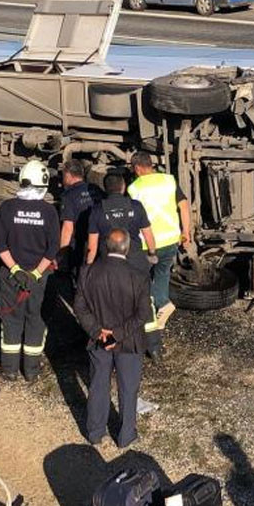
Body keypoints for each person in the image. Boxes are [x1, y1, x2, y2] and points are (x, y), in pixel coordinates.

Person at [75, 228, 153, 448]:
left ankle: (95, 432)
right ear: (126, 248)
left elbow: (80, 307)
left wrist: (97, 331)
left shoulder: (87, 272)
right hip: (129, 341)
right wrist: (117, 334)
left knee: (98, 385)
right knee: (128, 388)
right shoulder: (138, 276)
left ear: (105, 246)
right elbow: (142, 314)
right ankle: (126, 435)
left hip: (98, 340)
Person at [0, 160, 60, 381]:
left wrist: (15, 269)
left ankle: (9, 369)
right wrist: (36, 273)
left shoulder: (7, 208)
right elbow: (53, 248)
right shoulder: (49, 211)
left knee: (11, 319)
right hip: (39, 278)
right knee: (36, 319)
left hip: (11, 275)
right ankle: (32, 370)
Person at [128, 153, 192, 360]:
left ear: (137, 168)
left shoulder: (134, 188)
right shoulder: (169, 180)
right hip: (171, 240)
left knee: (142, 283)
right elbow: (184, 205)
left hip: (148, 245)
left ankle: (156, 311)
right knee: (162, 274)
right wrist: (186, 232)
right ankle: (163, 303)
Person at [86, 172, 157, 274]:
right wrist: (152, 253)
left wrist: (88, 268)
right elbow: (148, 234)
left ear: (105, 189)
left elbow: (92, 246)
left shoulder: (97, 211)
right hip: (135, 261)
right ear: (123, 186)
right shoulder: (136, 206)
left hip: (109, 263)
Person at [57, 159, 102, 272]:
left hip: (80, 246)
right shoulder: (95, 189)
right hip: (100, 242)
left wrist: (62, 256)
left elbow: (68, 228)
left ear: (68, 175)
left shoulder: (68, 196)